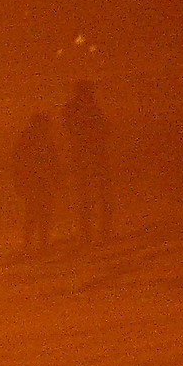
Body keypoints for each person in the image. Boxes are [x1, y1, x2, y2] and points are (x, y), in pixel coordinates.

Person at [64, 80, 111, 242]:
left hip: (86, 156)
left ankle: (94, 230)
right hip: (88, 156)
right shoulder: (86, 109)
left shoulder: (77, 109)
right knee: (92, 194)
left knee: (91, 194)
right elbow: (101, 130)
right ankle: (92, 231)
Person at [10, 112, 60, 252]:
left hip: (40, 181)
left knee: (39, 212)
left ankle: (38, 243)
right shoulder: (31, 139)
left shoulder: (39, 139)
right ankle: (32, 243)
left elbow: (52, 160)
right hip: (35, 181)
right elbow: (20, 162)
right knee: (35, 212)